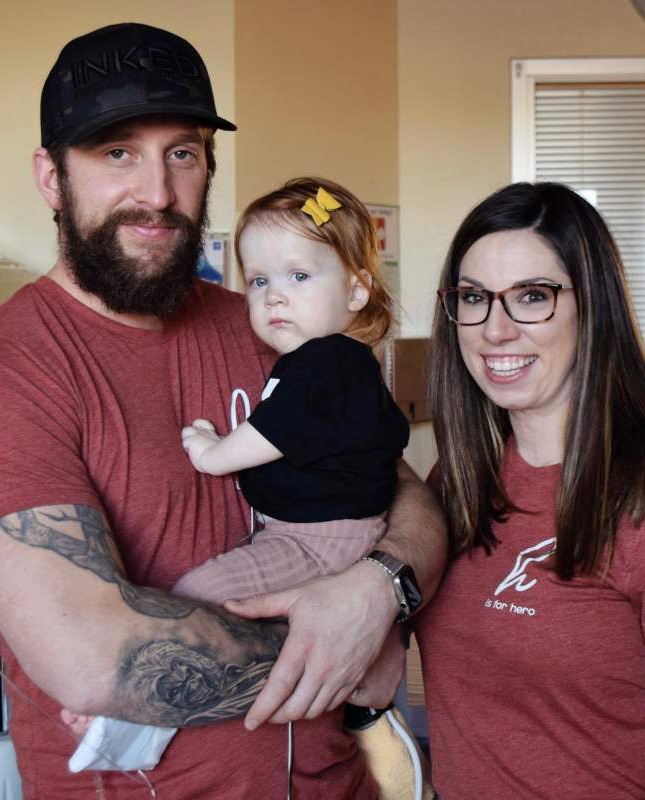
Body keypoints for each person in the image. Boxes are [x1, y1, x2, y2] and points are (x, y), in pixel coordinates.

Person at [0, 22, 446, 799]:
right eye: (116, 153)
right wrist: (344, 651)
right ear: (49, 176)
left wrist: (379, 593)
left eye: (184, 154)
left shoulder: (273, 322)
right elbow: (95, 659)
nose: (158, 194)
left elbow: (409, 499)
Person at [414, 181, 645, 799]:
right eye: (473, 298)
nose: (495, 330)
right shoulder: (460, 478)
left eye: (532, 297)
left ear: (590, 306)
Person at [63, 177, 413, 773]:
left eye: (299, 277)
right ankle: (365, 710)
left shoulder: (327, 361)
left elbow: (277, 431)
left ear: (356, 289)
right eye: (259, 281)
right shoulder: (321, 361)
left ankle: (137, 722)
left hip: (316, 538)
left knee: (199, 597)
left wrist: (213, 452)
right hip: (320, 534)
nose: (275, 297)